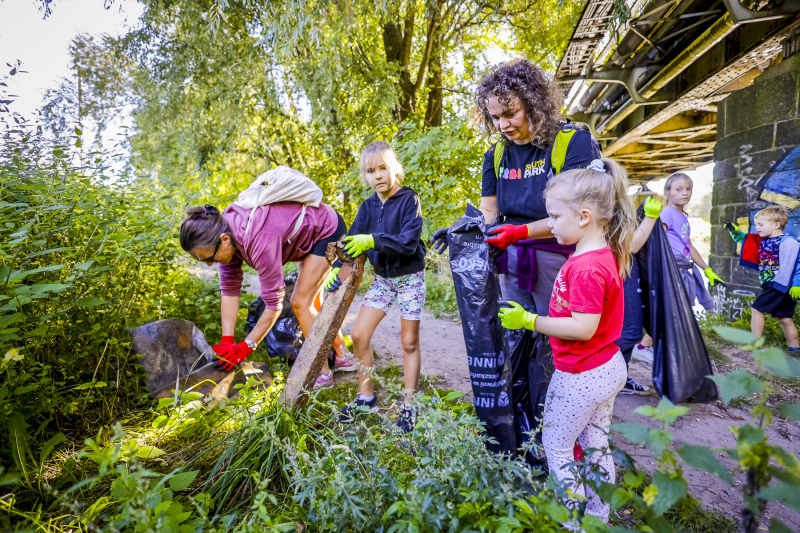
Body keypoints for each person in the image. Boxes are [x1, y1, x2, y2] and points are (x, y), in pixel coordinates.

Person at [498, 158, 636, 524]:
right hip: (605, 367)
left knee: (557, 445)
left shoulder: (586, 267)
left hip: (582, 373)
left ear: (585, 216)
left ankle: (572, 521)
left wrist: (529, 320)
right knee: (595, 445)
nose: (550, 224)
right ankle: (598, 515)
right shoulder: (596, 252)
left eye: (555, 217)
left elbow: (583, 327)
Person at [431, 58, 600, 319]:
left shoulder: (572, 142)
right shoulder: (497, 153)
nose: (502, 125)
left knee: (559, 336)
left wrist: (520, 231)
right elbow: (489, 209)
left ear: (534, 105)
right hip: (512, 258)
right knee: (516, 334)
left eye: (511, 114)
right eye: (495, 117)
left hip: (561, 257)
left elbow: (577, 213)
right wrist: (461, 230)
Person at [178, 198, 355, 388]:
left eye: (209, 258)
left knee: (300, 303)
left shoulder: (257, 240)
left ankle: (323, 373)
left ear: (225, 239)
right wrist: (227, 342)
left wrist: (245, 347)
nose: (211, 264)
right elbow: (229, 290)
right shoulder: (221, 230)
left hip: (324, 229)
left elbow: (274, 304)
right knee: (313, 302)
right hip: (305, 231)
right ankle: (344, 356)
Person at [327, 141, 427, 433]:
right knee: (358, 334)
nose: (378, 175)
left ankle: (409, 405)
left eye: (383, 168)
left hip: (410, 278)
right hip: (383, 279)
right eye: (371, 171)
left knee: (409, 342)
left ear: (394, 168)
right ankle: (366, 396)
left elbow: (408, 243)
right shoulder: (368, 206)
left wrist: (373, 241)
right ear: (365, 176)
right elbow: (350, 247)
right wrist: (337, 271)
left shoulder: (410, 200)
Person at [725, 206, 800, 352]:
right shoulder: (761, 240)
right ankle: (795, 348)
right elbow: (743, 238)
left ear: (776, 225)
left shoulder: (788, 242)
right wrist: (734, 230)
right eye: (756, 224)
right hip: (773, 284)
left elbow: (797, 264)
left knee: (756, 309)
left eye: (760, 224)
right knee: (784, 318)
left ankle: (755, 343)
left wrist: (797, 284)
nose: (756, 227)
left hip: (778, 284)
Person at [616, 195, 662, 395]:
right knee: (629, 332)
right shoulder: (608, 209)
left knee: (630, 331)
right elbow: (631, 247)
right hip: (622, 275)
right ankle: (608, 377)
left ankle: (620, 378)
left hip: (628, 274)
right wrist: (650, 218)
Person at [660, 173, 723, 311]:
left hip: (682, 268)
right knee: (671, 317)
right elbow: (658, 242)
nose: (685, 193)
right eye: (679, 189)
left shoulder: (682, 216)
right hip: (672, 271)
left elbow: (688, 246)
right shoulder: (667, 213)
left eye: (689, 189)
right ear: (666, 193)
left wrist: (707, 269)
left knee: (676, 318)